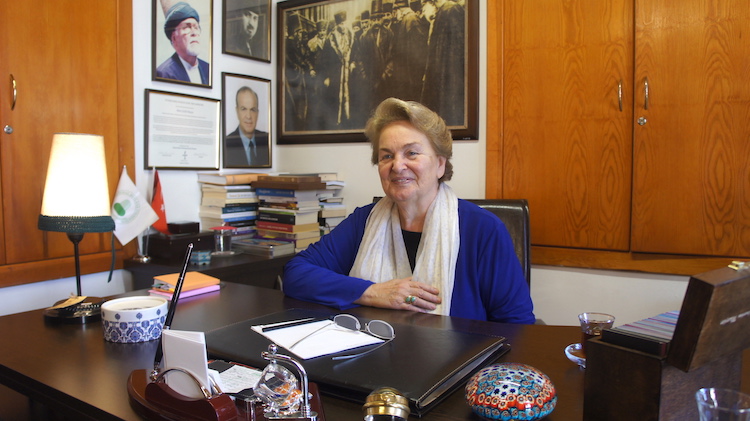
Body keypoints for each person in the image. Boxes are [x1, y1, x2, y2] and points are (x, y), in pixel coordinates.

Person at [283, 98, 535, 323]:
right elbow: (296, 274)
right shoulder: (364, 221)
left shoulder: (483, 229)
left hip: (460, 358)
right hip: (372, 354)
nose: (397, 166)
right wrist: (372, 292)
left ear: (440, 165)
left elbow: (517, 324)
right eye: (386, 156)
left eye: (411, 153)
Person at [156, 2, 210, 85]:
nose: (194, 33)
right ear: (174, 38)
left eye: (196, 27)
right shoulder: (164, 73)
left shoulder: (208, 68)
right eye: (186, 27)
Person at [224, 86, 269, 167]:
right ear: (237, 112)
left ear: (257, 113)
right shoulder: (227, 144)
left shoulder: (267, 140)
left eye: (253, 110)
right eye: (243, 109)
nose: (248, 116)